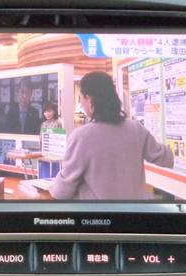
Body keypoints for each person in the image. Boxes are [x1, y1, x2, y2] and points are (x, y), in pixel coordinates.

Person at [49, 71, 174, 200]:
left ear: (89, 99)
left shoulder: (81, 136)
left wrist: (52, 187)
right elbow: (167, 159)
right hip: (135, 209)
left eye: (81, 99)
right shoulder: (136, 129)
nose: (81, 103)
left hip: (100, 212)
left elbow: (61, 192)